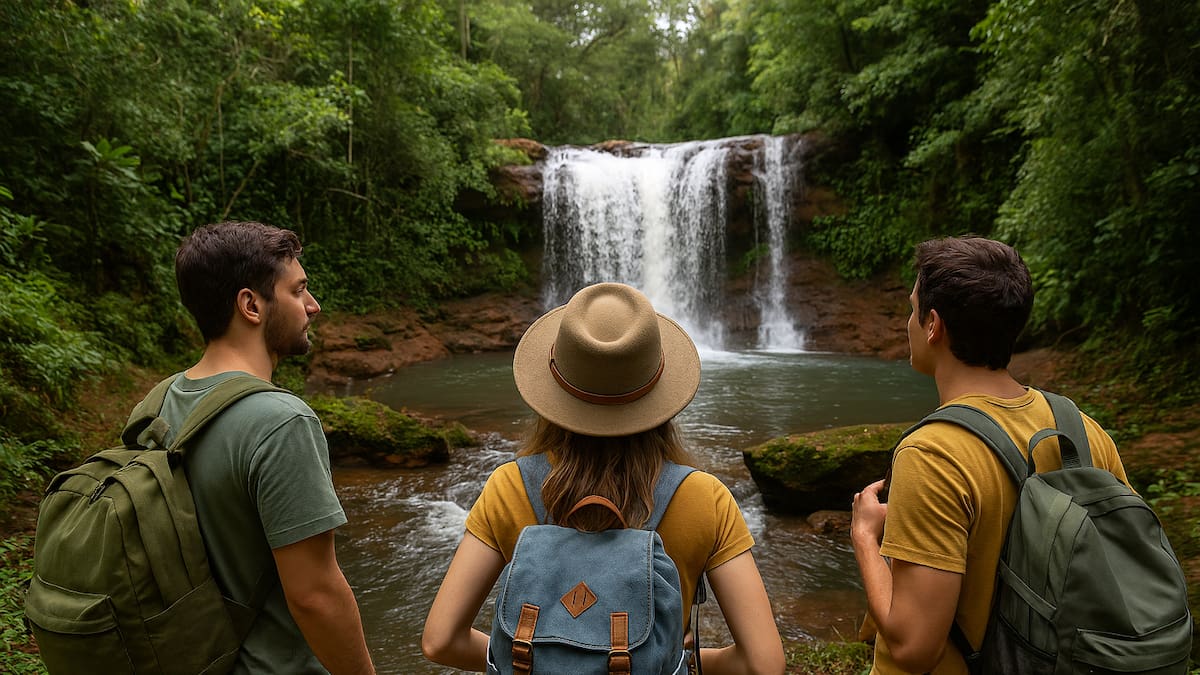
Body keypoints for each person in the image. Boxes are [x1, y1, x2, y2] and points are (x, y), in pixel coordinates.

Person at [422, 282, 786, 674]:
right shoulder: (704, 497)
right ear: (659, 396)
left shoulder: (509, 486)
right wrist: (671, 659)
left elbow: (441, 640)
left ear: (553, 391)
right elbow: (763, 664)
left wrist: (551, 658)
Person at [850, 236, 1131, 674]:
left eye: (912, 308)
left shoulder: (932, 455)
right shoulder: (1081, 430)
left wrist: (865, 536)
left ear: (933, 325)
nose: (907, 321)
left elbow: (913, 649)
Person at [164, 221, 375, 674]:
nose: (313, 306)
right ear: (251, 305)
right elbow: (315, 595)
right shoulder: (282, 422)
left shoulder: (158, 403)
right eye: (298, 291)